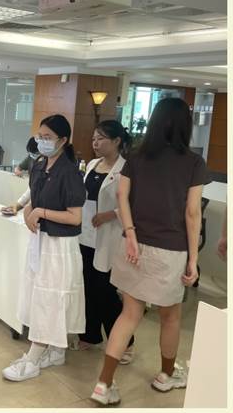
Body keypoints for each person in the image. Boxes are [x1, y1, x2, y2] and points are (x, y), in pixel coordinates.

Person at [91, 98, 207, 405]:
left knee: (129, 314)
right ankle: (166, 376)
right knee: (170, 316)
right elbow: (192, 212)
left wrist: (130, 234)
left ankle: (103, 384)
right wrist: (193, 259)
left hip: (133, 246)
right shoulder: (193, 162)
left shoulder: (136, 157)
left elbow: (122, 196)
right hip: (170, 250)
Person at [2, 114, 86, 382]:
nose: (42, 141)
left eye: (48, 137)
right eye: (40, 136)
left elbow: (75, 217)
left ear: (63, 140)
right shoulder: (40, 164)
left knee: (50, 299)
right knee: (38, 294)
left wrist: (40, 212)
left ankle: (33, 358)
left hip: (60, 246)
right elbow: (35, 196)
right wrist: (26, 208)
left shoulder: (70, 172)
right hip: (40, 241)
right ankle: (56, 351)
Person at [72, 121, 135, 363]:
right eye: (93, 139)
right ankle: (90, 335)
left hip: (110, 236)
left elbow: (133, 203)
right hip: (86, 234)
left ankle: (125, 344)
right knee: (87, 285)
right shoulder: (92, 164)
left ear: (117, 141)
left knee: (106, 291)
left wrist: (110, 214)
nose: (95, 143)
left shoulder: (127, 169)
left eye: (101, 139)